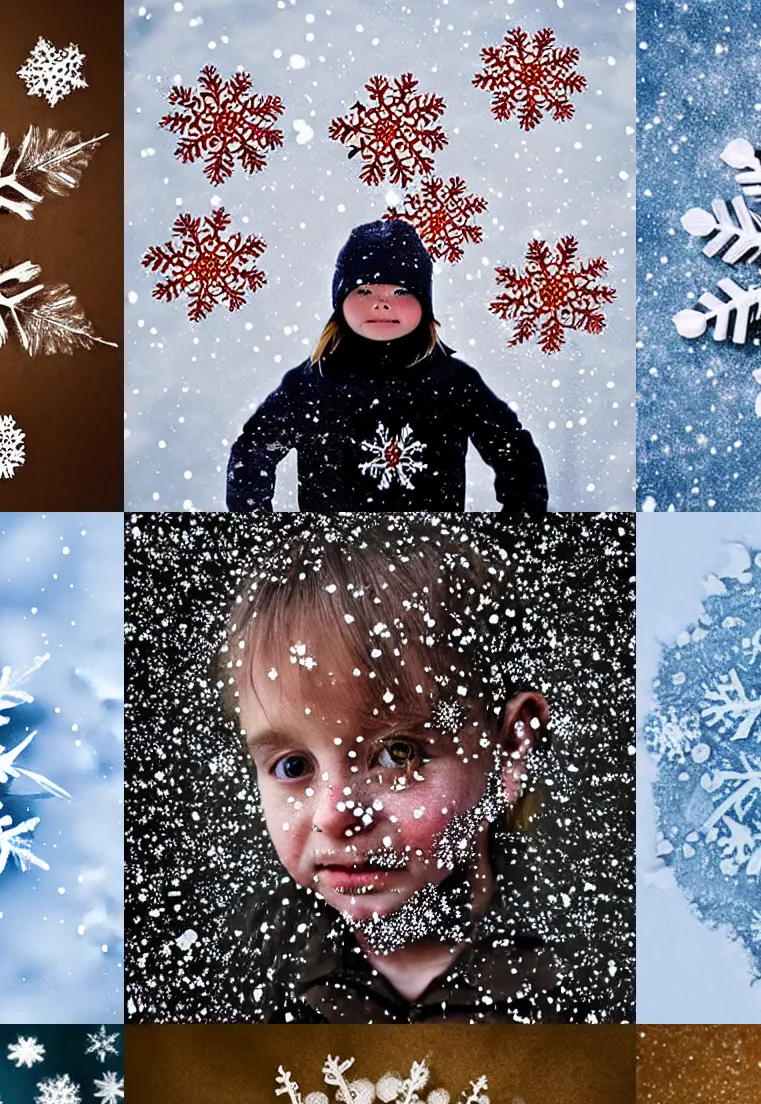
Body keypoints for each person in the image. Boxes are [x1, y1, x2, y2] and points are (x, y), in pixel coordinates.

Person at [217, 521, 559, 1021]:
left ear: (507, 749)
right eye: (293, 766)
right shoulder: (242, 973)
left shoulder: (588, 981)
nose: (334, 815)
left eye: (398, 754)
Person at [225, 220, 548, 514]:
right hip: (332, 563)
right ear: (341, 301)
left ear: (424, 303)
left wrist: (516, 533)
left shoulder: (454, 382)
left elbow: (514, 453)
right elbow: (253, 452)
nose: (381, 302)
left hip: (433, 562)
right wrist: (260, 535)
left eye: (401, 290)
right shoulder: (311, 385)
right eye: (364, 290)